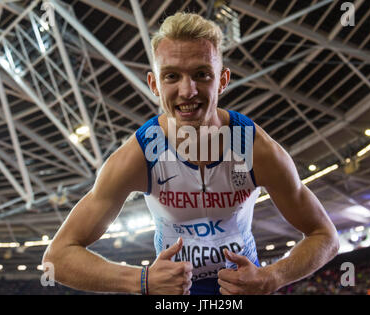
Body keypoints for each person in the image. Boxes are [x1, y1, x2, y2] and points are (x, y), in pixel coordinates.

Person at [43, 12, 339, 295]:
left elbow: (325, 236)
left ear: (222, 80)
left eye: (201, 74)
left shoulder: (256, 149)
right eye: (171, 76)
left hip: (243, 288)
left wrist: (271, 277)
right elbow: (57, 258)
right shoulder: (138, 157)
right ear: (154, 85)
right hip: (172, 293)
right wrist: (142, 279)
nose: (188, 91)